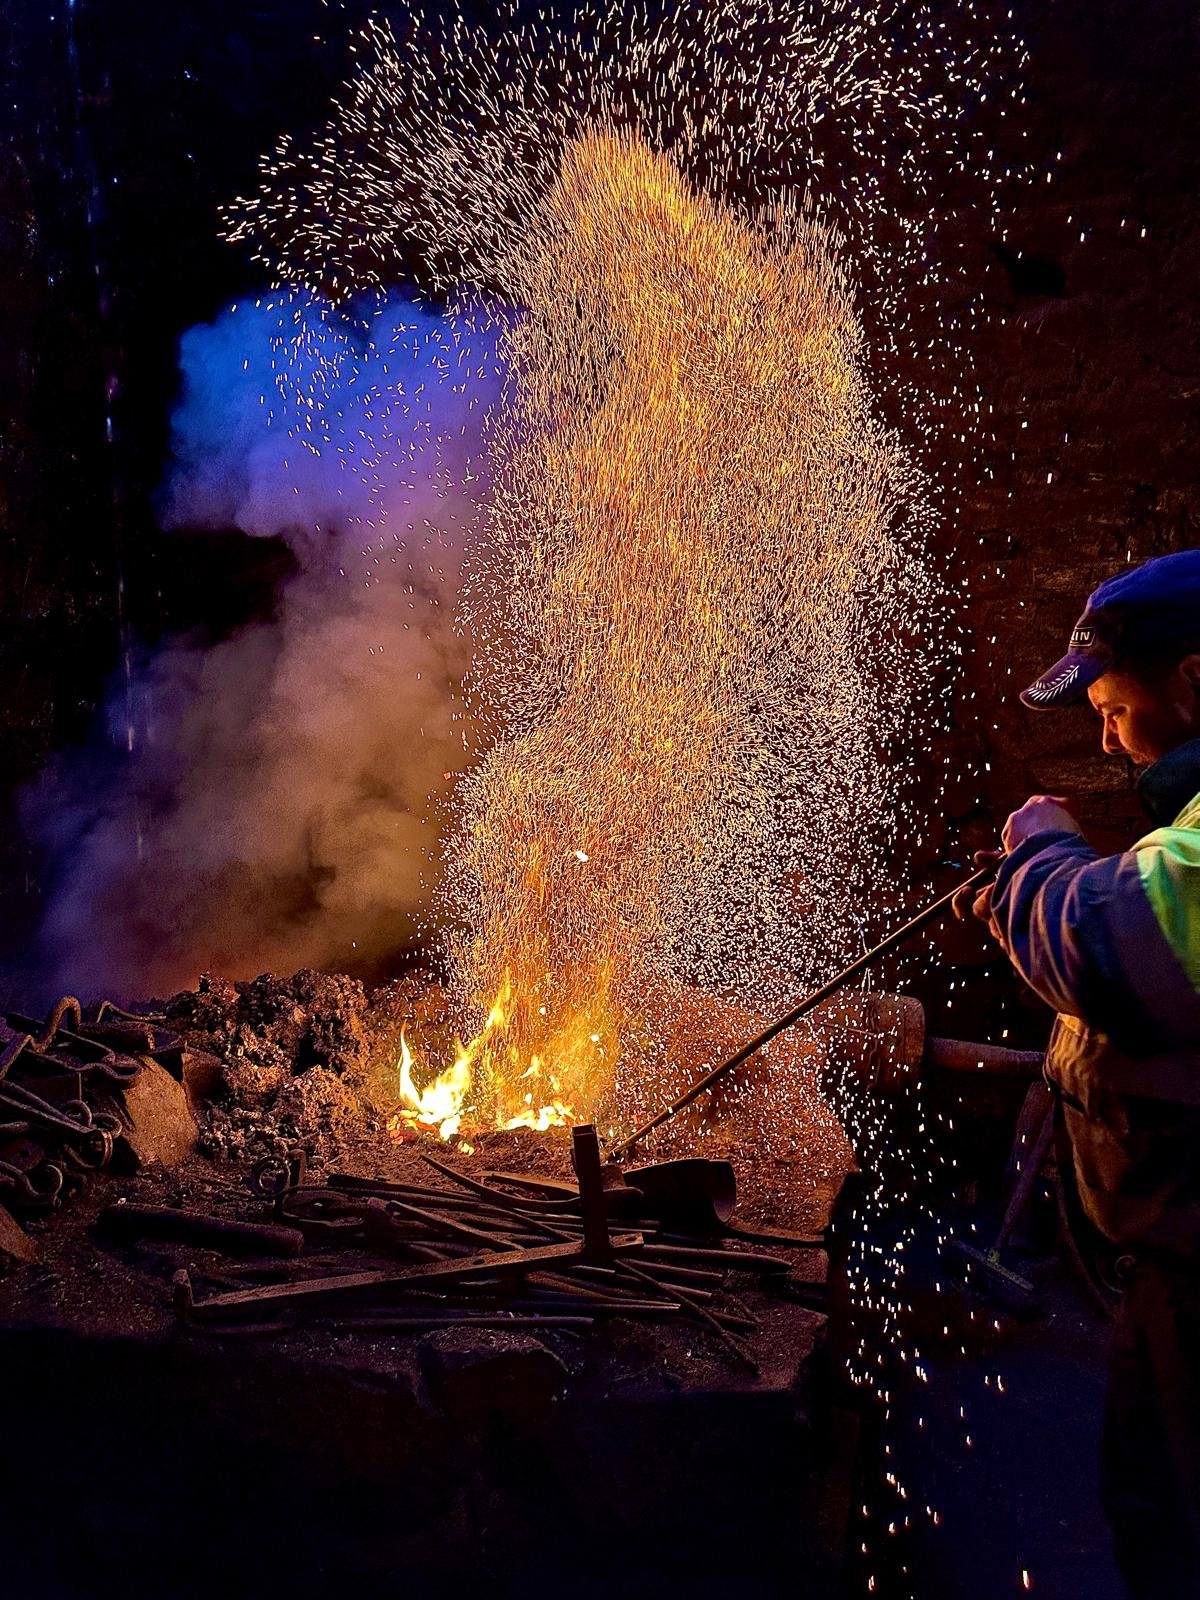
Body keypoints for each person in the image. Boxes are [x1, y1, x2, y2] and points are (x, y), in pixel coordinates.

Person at [954, 548, 1200, 1598]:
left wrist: (1042, 855)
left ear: (1193, 680)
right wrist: (1022, 895)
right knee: (1150, 1508)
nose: (1106, 738)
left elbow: (1116, 941)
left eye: (1114, 710)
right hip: (1168, 1267)